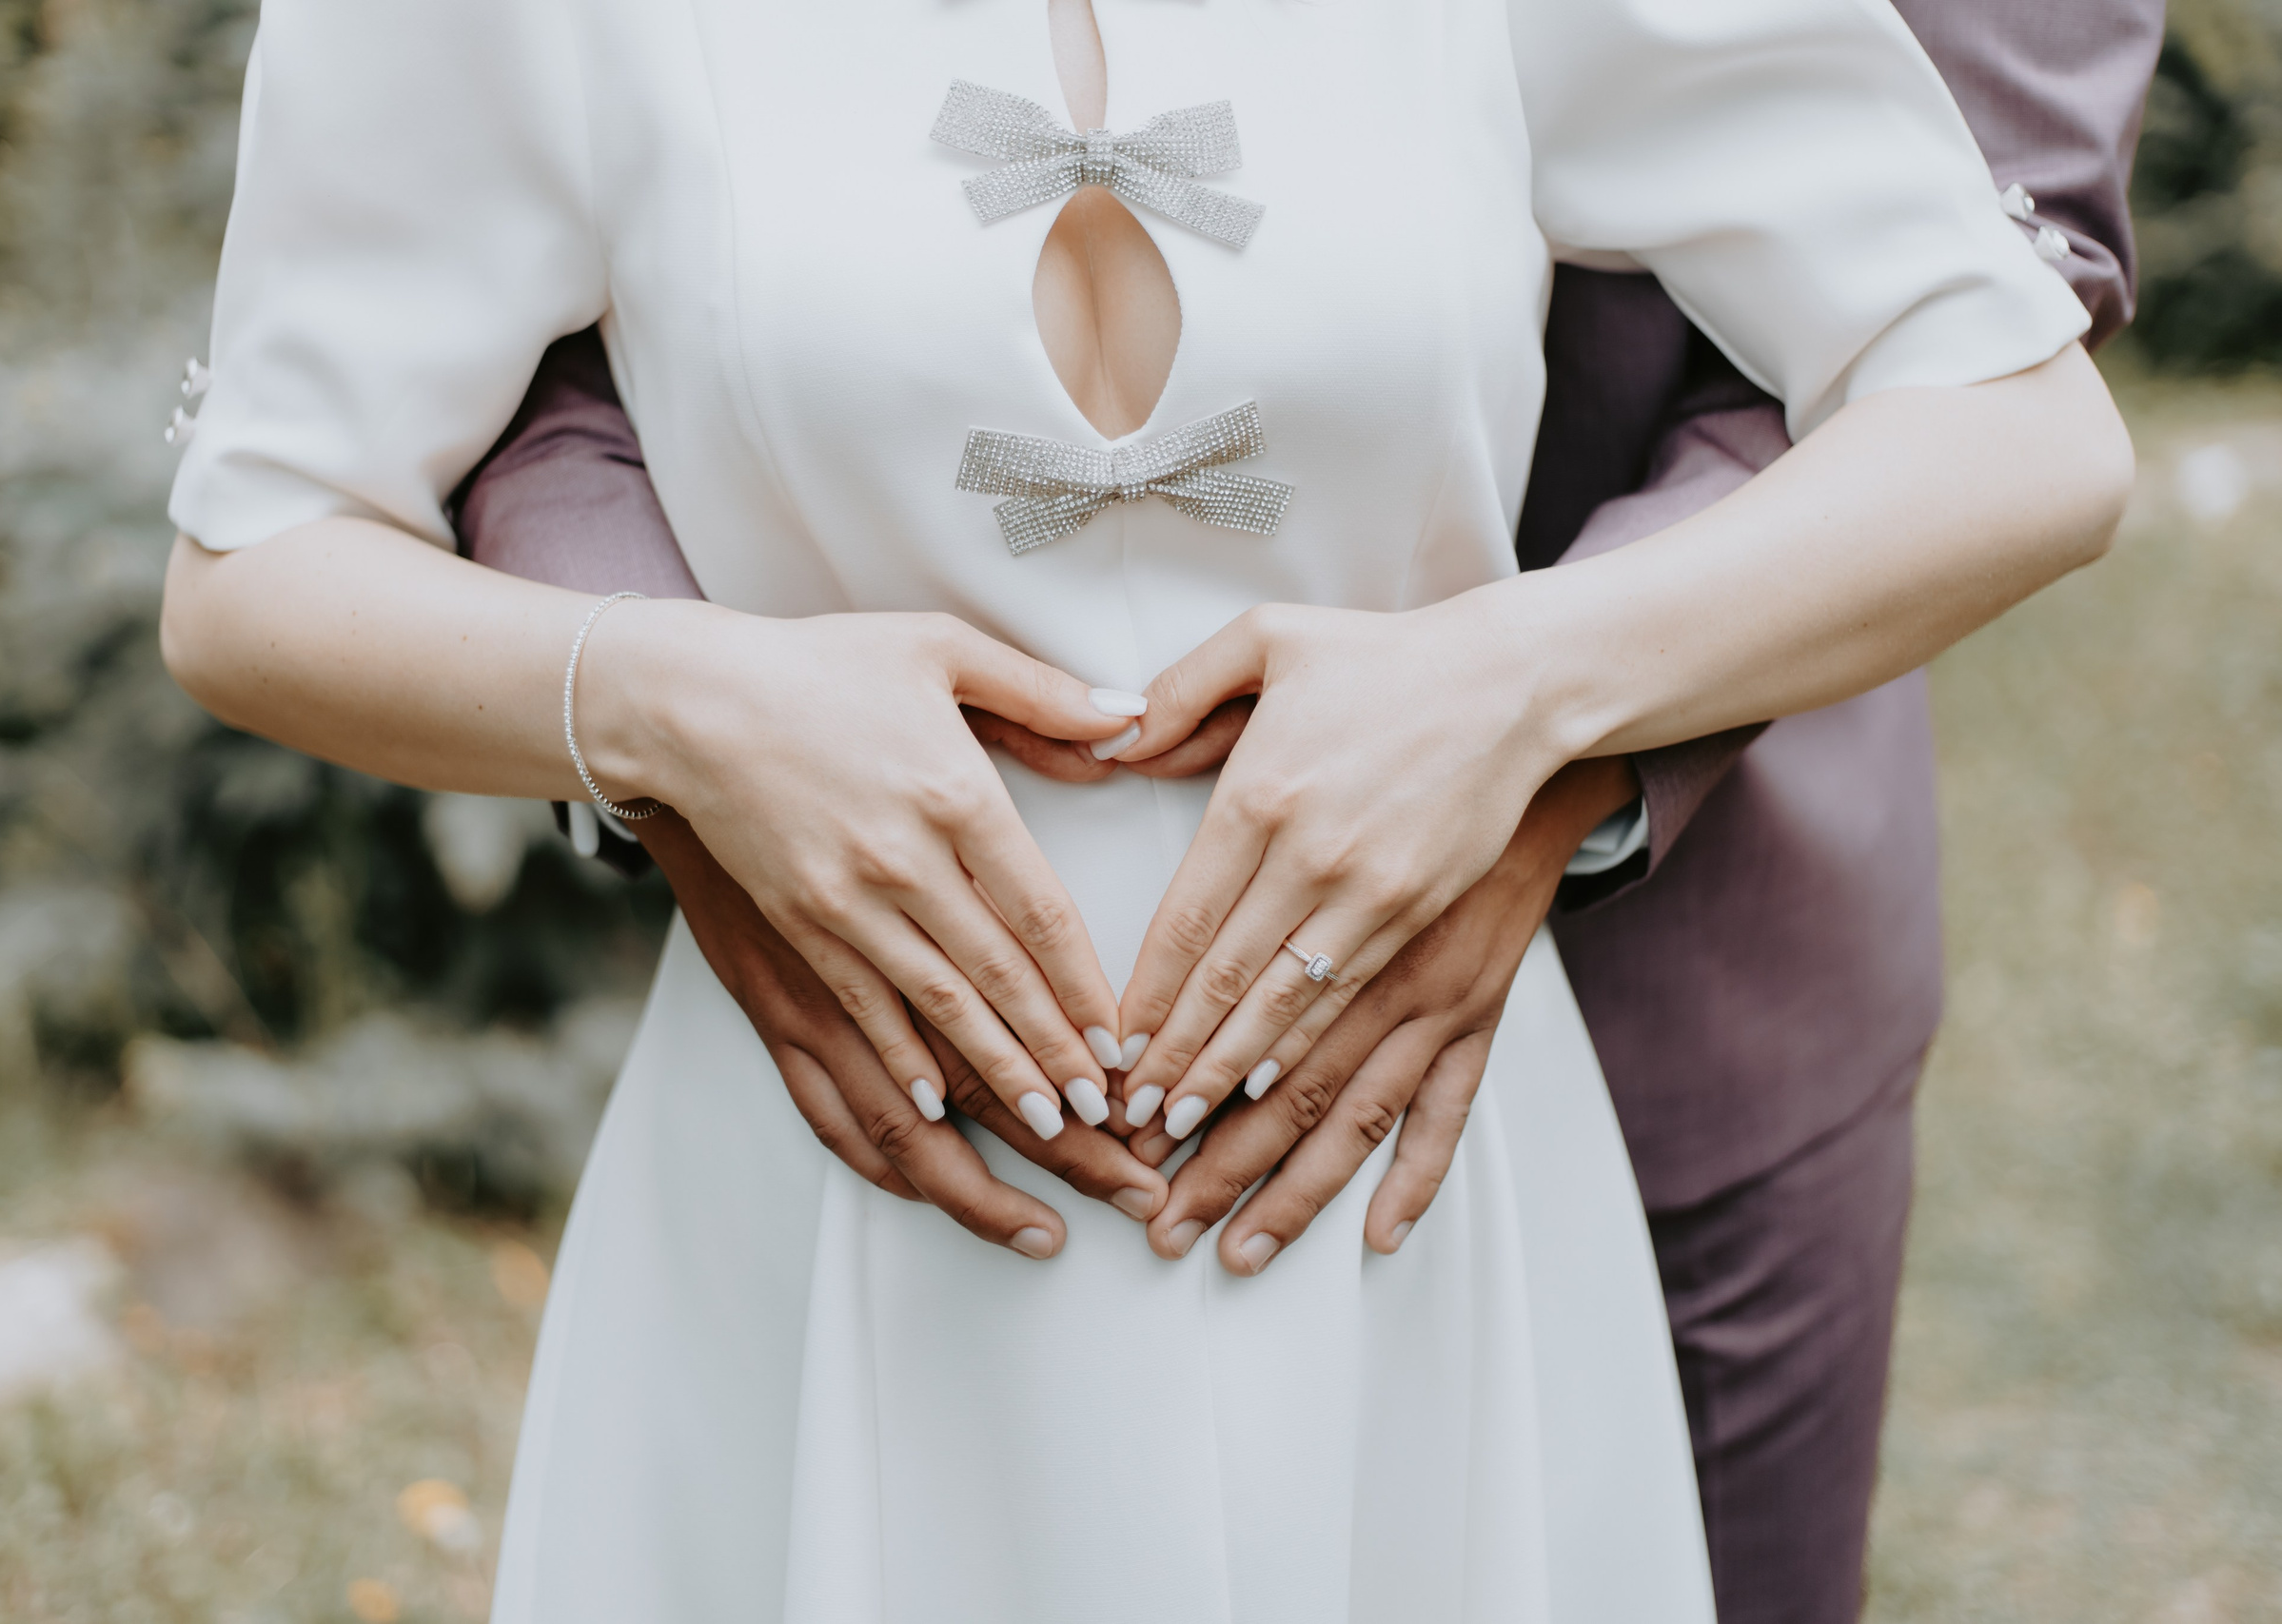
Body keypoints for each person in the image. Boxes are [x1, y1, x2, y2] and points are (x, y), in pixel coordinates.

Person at [156, 0, 2133, 1617]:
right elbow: (258, 554)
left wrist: (1521, 683)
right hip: (852, 1174)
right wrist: (671, 702)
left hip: (1397, 1186)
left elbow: (2016, 426)